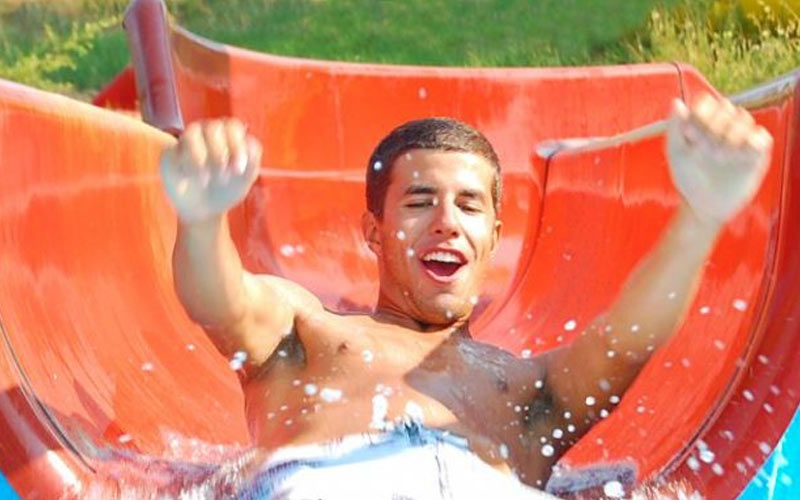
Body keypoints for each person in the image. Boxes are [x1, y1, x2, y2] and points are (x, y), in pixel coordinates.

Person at [159, 93, 772, 499]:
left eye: (470, 205)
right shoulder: (310, 335)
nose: (447, 221)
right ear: (373, 231)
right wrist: (201, 219)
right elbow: (221, 303)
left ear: (494, 238)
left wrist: (699, 218)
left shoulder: (526, 391)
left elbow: (625, 343)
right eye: (420, 202)